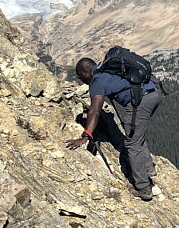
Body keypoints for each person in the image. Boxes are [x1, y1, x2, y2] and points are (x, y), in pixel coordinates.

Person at [66, 55, 162, 200]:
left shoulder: (97, 81)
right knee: (136, 133)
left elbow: (95, 111)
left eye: (81, 77)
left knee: (132, 143)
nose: (82, 81)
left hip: (143, 99)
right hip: (154, 91)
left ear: (86, 73)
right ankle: (149, 167)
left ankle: (143, 188)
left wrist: (86, 135)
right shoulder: (106, 68)